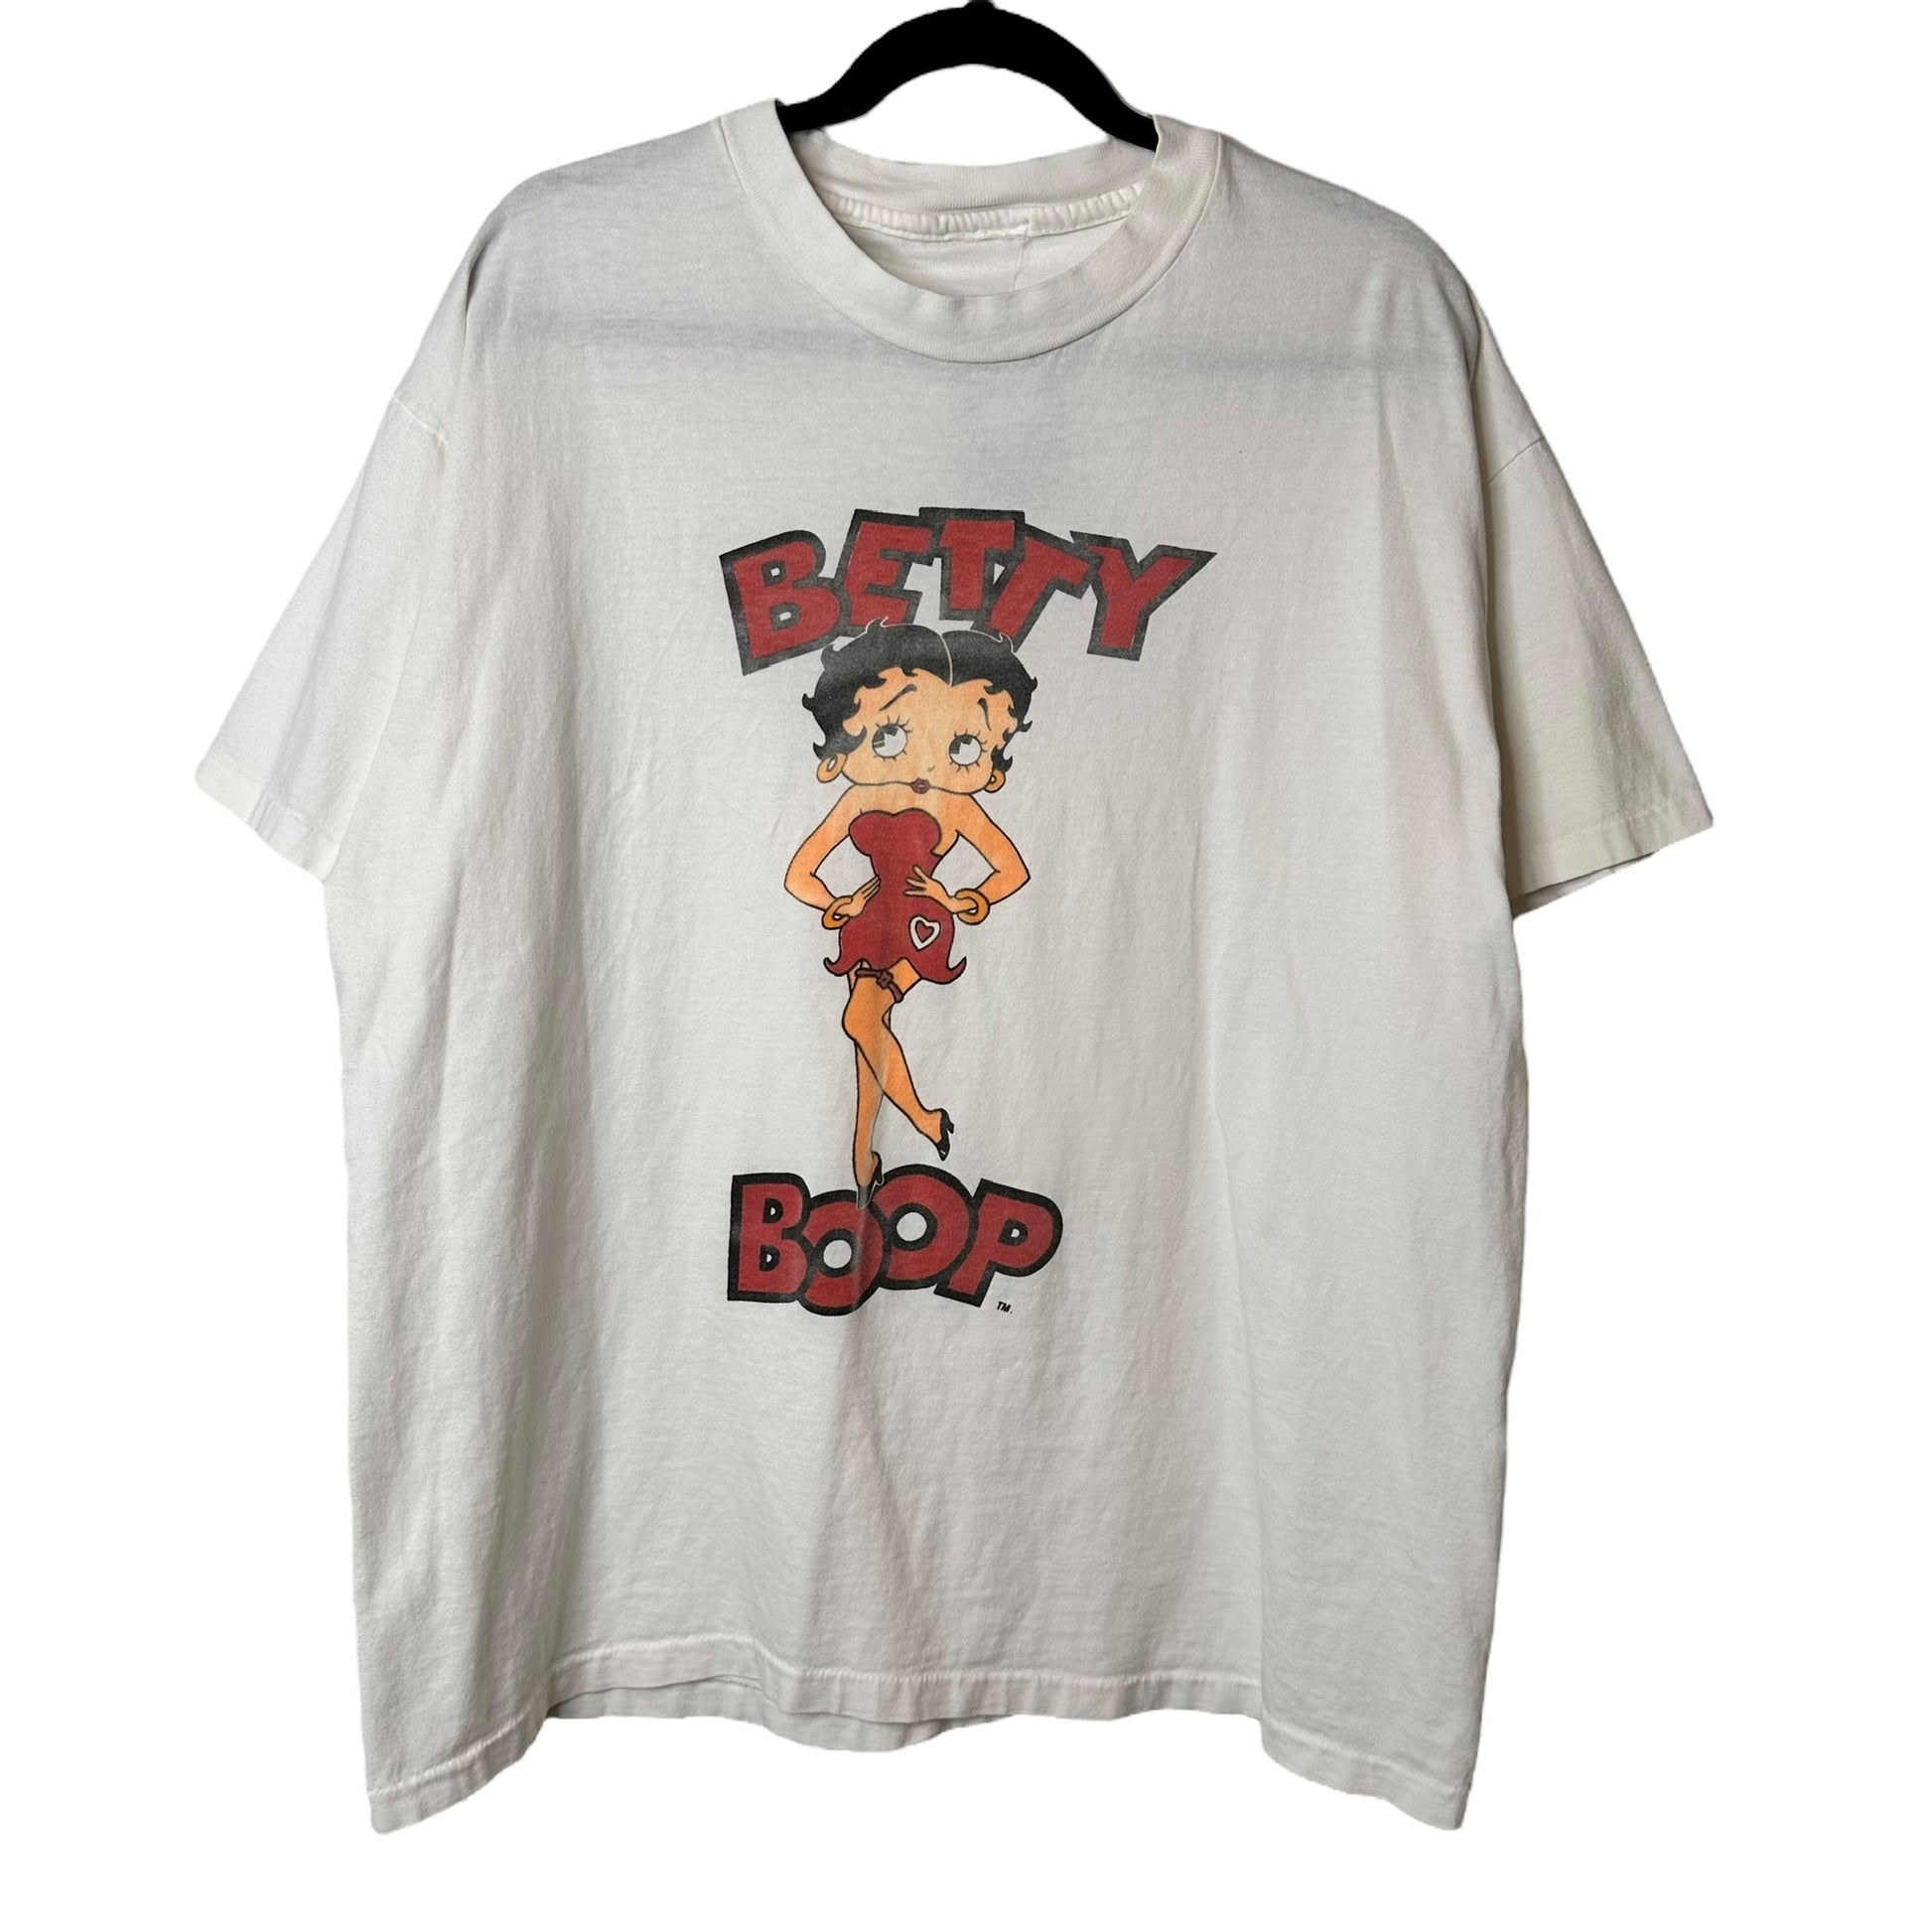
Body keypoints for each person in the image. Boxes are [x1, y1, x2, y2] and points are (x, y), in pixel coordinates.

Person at [785, 622, 1035, 1191]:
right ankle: (862, 1159)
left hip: (922, 924)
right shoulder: (858, 798)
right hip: (866, 924)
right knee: (867, 1039)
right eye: (893, 735)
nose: (924, 762)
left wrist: (960, 899)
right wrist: (838, 903)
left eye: (962, 745)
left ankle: (923, 1118)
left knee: (860, 1020)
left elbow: (1011, 870)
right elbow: (801, 872)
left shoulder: (957, 806)